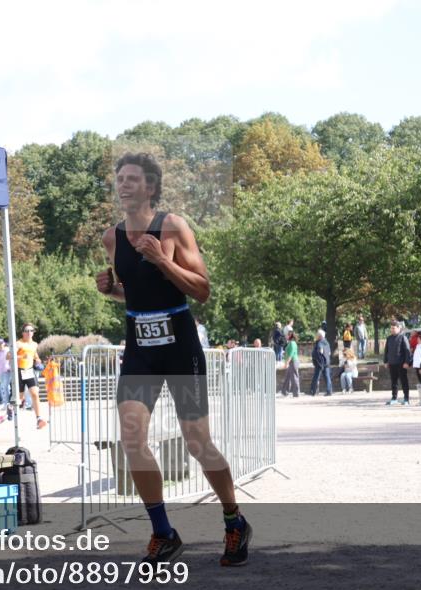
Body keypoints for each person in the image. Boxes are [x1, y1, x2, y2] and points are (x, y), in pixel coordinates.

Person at [94, 151, 250, 566]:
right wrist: (110, 289)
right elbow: (137, 294)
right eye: (120, 179)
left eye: (132, 179)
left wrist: (163, 260)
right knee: (132, 439)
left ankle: (234, 520)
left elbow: (201, 290)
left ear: (150, 186)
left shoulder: (173, 226)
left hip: (180, 346)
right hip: (140, 349)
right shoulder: (112, 237)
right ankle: (163, 532)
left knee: (198, 443)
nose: (123, 184)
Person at [11, 324, 47, 429]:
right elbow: (8, 356)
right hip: (19, 371)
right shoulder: (18, 343)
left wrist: (37, 359)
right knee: (20, 398)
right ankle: (10, 409)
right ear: (23, 332)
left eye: (31, 330)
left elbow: (34, 354)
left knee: (35, 393)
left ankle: (39, 419)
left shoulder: (34, 344)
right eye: (27, 330)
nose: (29, 332)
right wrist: (21, 356)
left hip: (29, 371)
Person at [383, 321, 412, 406]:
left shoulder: (403, 337)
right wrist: (385, 361)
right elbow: (386, 351)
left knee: (404, 381)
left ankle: (406, 399)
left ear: (399, 328)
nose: (392, 330)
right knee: (393, 382)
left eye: (394, 328)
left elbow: (407, 351)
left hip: (401, 364)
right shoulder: (389, 338)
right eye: (391, 328)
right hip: (392, 363)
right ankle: (394, 398)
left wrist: (407, 362)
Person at [309, 329, 332, 396]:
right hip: (326, 362)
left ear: (320, 336)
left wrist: (316, 359)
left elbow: (320, 351)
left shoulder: (319, 343)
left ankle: (313, 391)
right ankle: (329, 391)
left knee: (316, 377)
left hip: (320, 363)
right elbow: (329, 353)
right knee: (327, 377)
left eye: (317, 335)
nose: (316, 336)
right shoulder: (327, 342)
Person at [280, 332, 300, 397]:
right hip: (291, 361)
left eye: (287, 335)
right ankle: (284, 392)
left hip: (293, 361)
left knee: (294, 377)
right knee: (287, 377)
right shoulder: (290, 343)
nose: (286, 336)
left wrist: (287, 363)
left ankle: (296, 393)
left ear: (289, 336)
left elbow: (291, 354)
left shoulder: (292, 343)